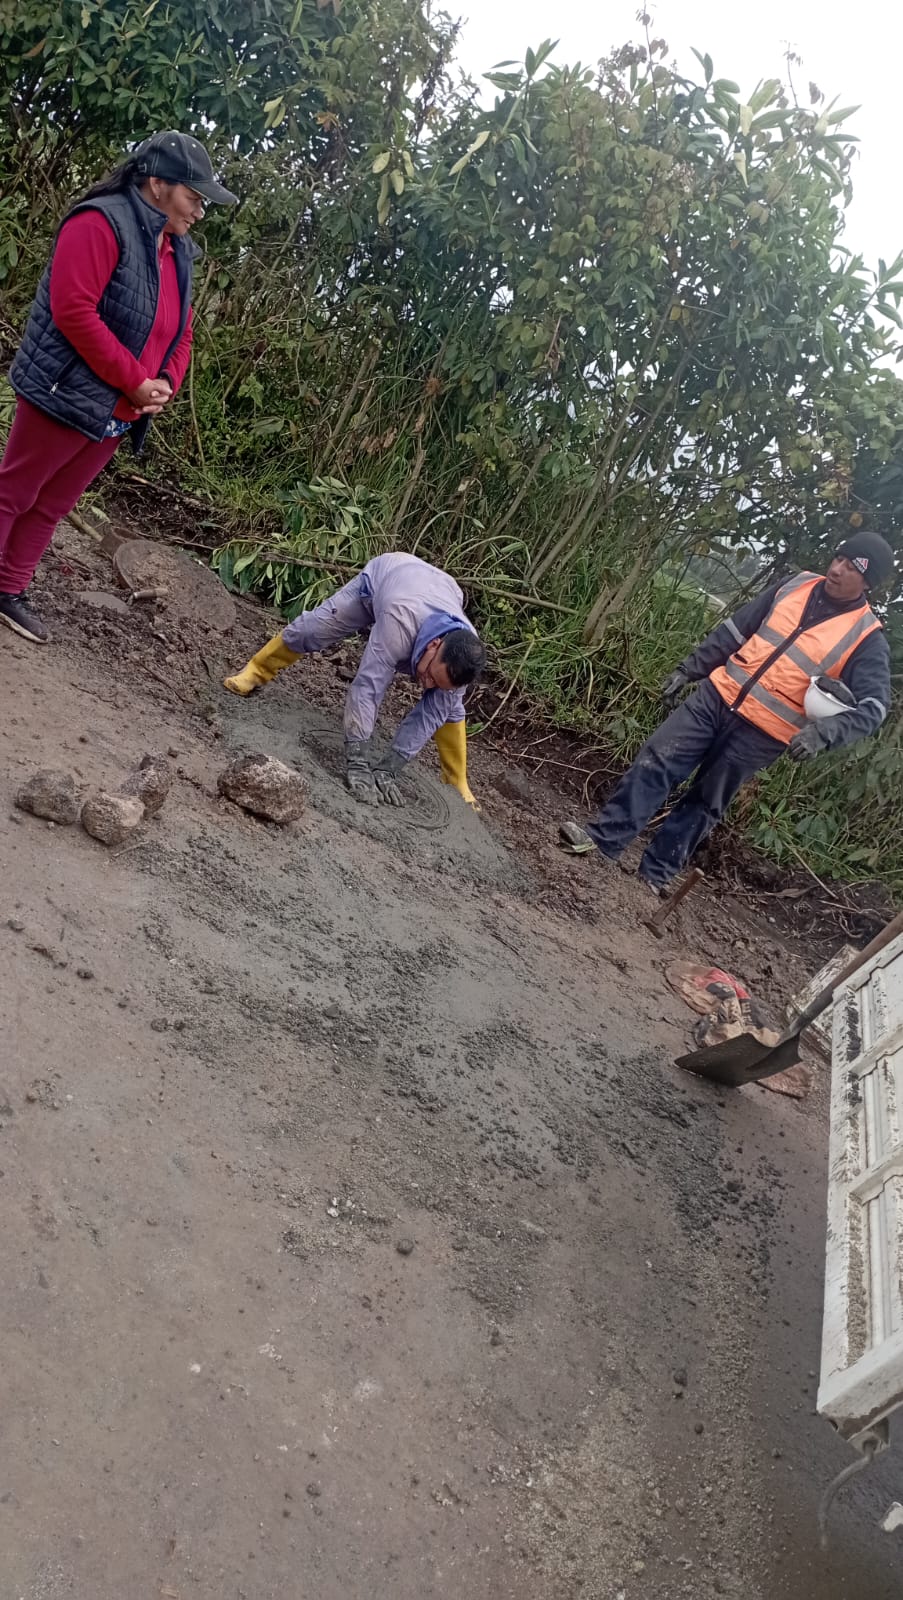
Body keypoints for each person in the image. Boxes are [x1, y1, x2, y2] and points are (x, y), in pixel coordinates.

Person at [0, 130, 238, 644]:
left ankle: (9, 589)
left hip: (119, 408)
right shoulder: (99, 223)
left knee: (53, 504)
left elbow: (181, 331)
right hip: (65, 391)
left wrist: (165, 382)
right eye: (193, 197)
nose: (200, 211)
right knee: (14, 493)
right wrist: (135, 380)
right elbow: (73, 311)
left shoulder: (178, 250)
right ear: (157, 183)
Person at [559, 532, 896, 891]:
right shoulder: (795, 584)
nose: (837, 569)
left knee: (706, 800)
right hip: (716, 696)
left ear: (868, 583)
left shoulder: (866, 638)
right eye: (839, 558)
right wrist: (690, 669)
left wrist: (822, 734)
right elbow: (736, 630)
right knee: (657, 759)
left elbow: (874, 708)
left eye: (851, 567)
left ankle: (654, 876)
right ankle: (602, 840)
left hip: (763, 733)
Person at [224, 551, 487, 808]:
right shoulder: (400, 623)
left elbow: (430, 715)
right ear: (434, 644)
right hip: (385, 579)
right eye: (430, 675)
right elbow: (368, 687)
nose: (426, 684)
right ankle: (255, 671)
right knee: (312, 630)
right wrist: (358, 760)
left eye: (436, 683)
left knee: (447, 705)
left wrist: (391, 767)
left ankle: (456, 781)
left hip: (441, 589)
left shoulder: (466, 656)